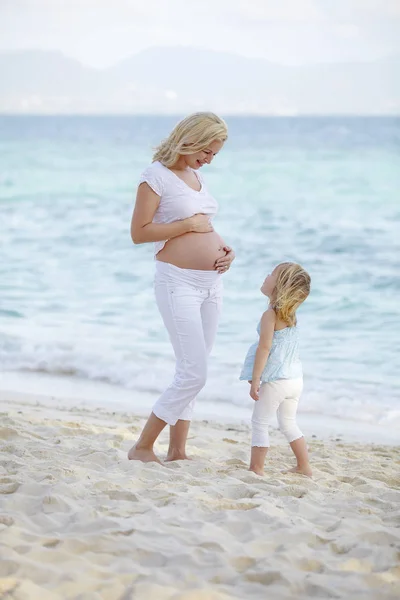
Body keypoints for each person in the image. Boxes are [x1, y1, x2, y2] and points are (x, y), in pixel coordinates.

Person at [128, 112, 235, 463]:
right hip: (178, 283)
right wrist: (188, 224)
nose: (209, 159)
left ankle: (177, 451)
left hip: (211, 286)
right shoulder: (155, 177)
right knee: (195, 372)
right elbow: (139, 233)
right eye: (207, 151)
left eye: (214, 155)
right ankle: (143, 446)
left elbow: (203, 228)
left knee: (191, 367)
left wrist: (225, 251)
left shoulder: (196, 177)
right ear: (191, 139)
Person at [240, 262, 312, 477]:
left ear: (279, 285)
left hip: (277, 381)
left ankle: (257, 468)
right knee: (288, 423)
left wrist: (255, 379)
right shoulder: (291, 315)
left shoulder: (270, 315)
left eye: (272, 273)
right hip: (295, 380)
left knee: (260, 422)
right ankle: (304, 466)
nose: (266, 275)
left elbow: (265, 347)